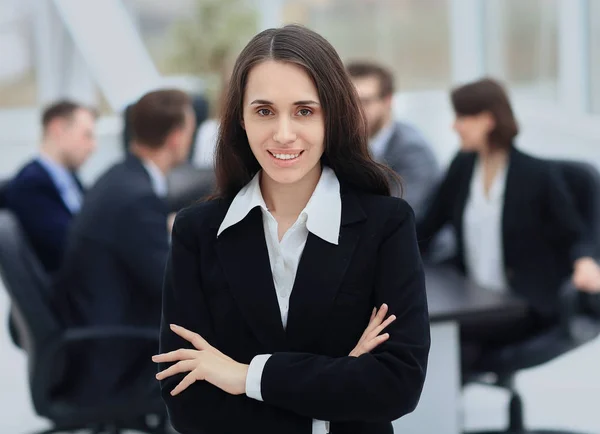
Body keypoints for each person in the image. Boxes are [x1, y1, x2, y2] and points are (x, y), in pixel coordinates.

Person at [153, 24, 430, 434]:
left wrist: (245, 377)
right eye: (264, 111)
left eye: (304, 110)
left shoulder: (386, 225)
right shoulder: (197, 233)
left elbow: (396, 387)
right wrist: (340, 377)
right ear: (241, 120)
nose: (284, 134)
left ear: (331, 117)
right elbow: (189, 404)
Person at [416, 77, 600, 372]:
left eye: (463, 118)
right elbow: (426, 226)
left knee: (435, 339)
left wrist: (585, 262)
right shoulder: (463, 166)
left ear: (488, 120)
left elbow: (575, 233)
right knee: (431, 333)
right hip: (474, 297)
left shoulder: (537, 175)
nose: (455, 126)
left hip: (521, 303)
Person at [53, 89, 196, 405]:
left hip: (91, 332)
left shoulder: (119, 178)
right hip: (117, 356)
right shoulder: (138, 199)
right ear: (175, 138)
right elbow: (171, 288)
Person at [5, 100, 96, 274]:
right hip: (74, 289)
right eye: (87, 135)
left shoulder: (70, 178)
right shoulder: (30, 185)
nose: (93, 146)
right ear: (58, 129)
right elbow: (70, 247)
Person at [346, 61, 439, 220]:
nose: (354, 110)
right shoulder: (345, 143)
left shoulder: (413, 150)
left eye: (364, 102)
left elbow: (396, 215)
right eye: (348, 101)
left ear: (388, 100)